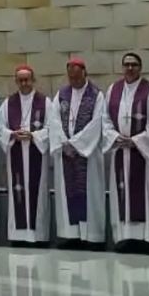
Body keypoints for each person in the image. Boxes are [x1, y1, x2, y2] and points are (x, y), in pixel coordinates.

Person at [102, 51, 149, 253]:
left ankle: (148, 239)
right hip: (120, 151)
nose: (130, 68)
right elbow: (104, 120)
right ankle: (124, 237)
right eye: (126, 64)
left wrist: (137, 141)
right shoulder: (113, 89)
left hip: (143, 155)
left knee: (147, 195)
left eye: (134, 65)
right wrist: (115, 137)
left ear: (140, 67)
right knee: (122, 193)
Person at [47, 57, 106, 249]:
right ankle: (70, 235)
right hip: (65, 153)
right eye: (70, 77)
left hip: (86, 155)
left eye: (77, 77)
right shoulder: (62, 94)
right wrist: (64, 143)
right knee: (66, 194)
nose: (74, 81)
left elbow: (98, 122)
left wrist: (77, 145)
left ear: (84, 73)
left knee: (89, 194)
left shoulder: (96, 95)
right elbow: (53, 120)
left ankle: (91, 237)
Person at [0, 65, 52, 245]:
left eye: (27, 79)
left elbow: (52, 128)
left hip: (36, 153)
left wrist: (33, 135)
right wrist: (12, 134)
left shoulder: (45, 102)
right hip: (16, 153)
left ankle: (38, 236)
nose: (24, 83)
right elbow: (0, 128)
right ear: (16, 81)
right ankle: (18, 236)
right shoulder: (8, 103)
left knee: (38, 193)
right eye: (20, 80)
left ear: (33, 79)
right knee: (17, 192)